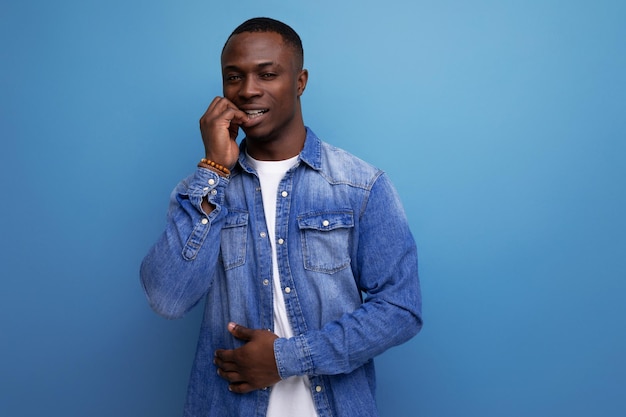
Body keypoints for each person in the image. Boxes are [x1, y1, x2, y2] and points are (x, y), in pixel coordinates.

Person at [140, 17, 422, 417]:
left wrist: (288, 358)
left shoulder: (359, 186)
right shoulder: (202, 190)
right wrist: (213, 171)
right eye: (234, 77)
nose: (248, 90)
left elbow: (401, 308)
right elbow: (168, 298)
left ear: (300, 81)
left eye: (267, 74)